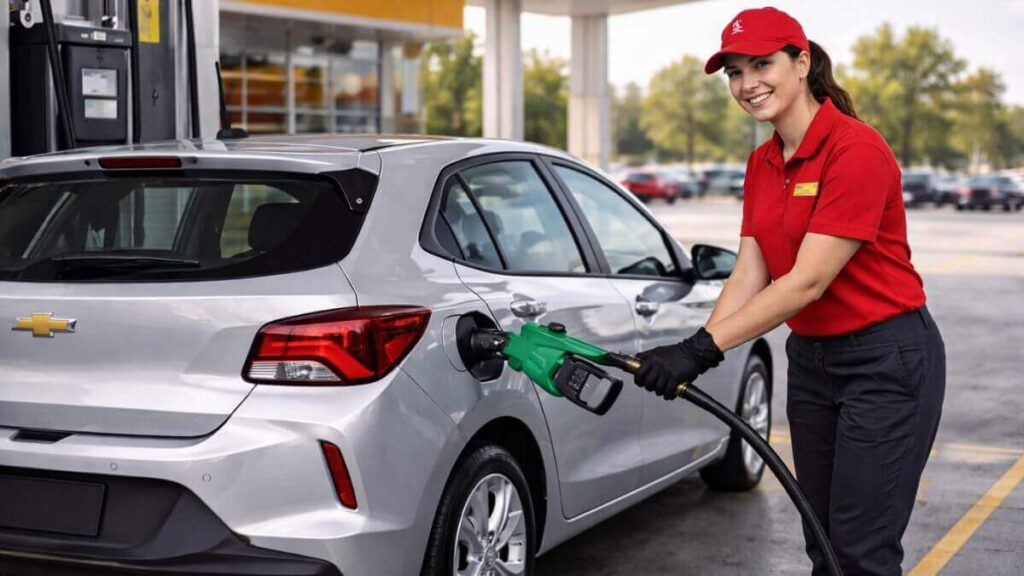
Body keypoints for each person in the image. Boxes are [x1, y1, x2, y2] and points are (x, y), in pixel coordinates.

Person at [633, 7, 946, 575]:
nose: (746, 84)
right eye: (733, 72)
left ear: (801, 63)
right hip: (812, 362)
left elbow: (806, 281)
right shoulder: (763, 161)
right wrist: (694, 347)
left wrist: (701, 350)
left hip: (886, 361)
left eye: (761, 64)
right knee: (824, 544)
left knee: (861, 551)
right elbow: (750, 271)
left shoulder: (856, 151)